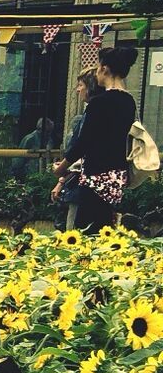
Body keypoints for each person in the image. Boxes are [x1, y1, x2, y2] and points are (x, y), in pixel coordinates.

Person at [53, 47, 138, 234]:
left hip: (95, 177)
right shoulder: (129, 102)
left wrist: (62, 167)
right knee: (105, 230)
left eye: (98, 67)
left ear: (104, 69)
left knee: (84, 233)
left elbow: (83, 143)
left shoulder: (98, 103)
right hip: (116, 177)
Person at [50, 69, 103, 230]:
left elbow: (79, 150)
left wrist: (60, 170)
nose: (78, 90)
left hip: (83, 189)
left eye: (81, 85)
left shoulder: (90, 114)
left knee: (74, 232)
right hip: (88, 186)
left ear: (91, 87)